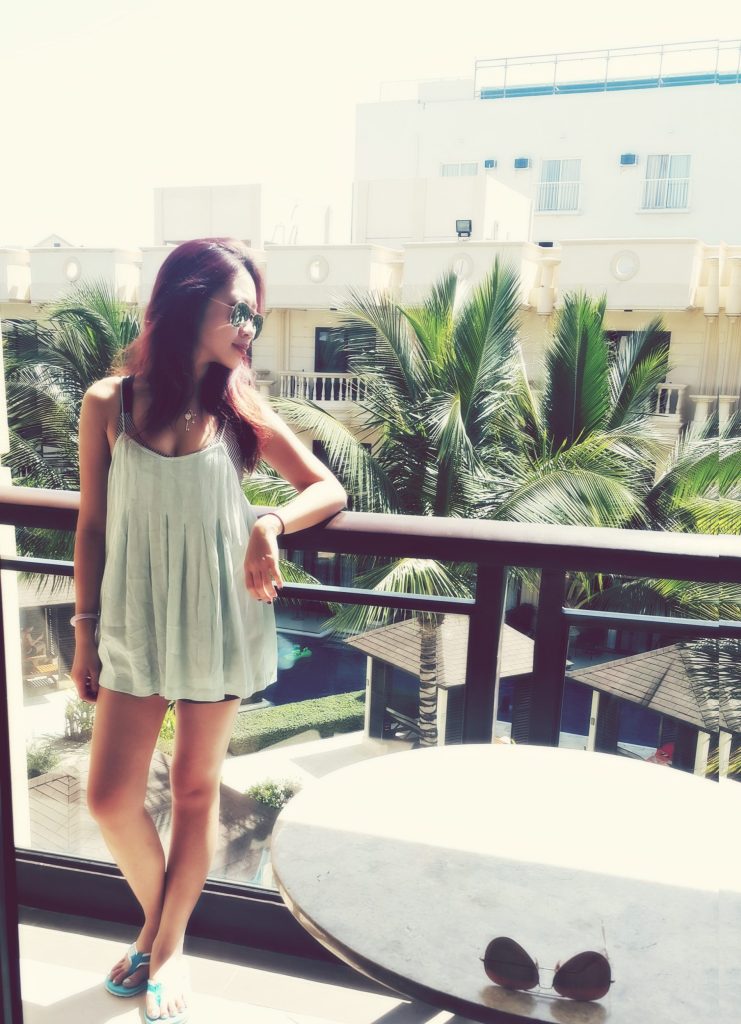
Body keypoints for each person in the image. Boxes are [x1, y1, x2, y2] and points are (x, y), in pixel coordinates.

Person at [70, 238, 347, 1024]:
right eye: (239, 310)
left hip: (219, 619)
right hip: (134, 620)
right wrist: (85, 633)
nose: (249, 327)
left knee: (195, 792)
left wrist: (269, 521)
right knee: (109, 798)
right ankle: (160, 928)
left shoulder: (240, 409)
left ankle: (163, 948)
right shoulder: (109, 403)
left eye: (256, 313)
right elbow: (92, 527)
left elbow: (325, 487)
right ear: (189, 302)